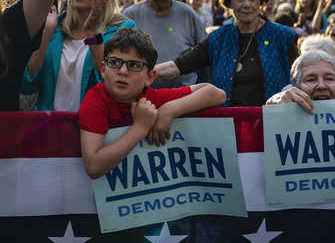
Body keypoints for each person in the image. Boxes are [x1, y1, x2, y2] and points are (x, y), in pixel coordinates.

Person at [78, 28, 226, 178]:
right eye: (115, 62)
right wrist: (141, 127)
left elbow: (216, 93)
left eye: (134, 65)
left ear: (150, 77)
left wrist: (170, 109)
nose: (122, 71)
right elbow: (93, 166)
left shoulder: (151, 98)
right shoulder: (96, 99)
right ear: (103, 69)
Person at [155, 0, 298, 107]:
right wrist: (144, 72)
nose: (247, 4)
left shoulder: (283, 37)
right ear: (229, 3)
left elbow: (301, 78)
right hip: (227, 126)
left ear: (260, 3)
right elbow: (177, 66)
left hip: (274, 125)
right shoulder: (218, 39)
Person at [22, 0, 134, 111]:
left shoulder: (123, 30)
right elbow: (28, 84)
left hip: (94, 130)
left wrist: (92, 33)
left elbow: (115, 86)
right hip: (49, 129)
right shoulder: (53, 27)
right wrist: (46, 33)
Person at [123, 0, 206, 88]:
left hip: (183, 99)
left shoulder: (188, 15)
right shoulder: (131, 15)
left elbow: (205, 56)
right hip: (140, 95)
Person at [266, 51, 335, 113]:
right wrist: (273, 109)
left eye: (329, 79)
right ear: (295, 89)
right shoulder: (281, 111)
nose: (321, 86)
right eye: (311, 79)